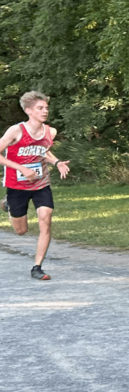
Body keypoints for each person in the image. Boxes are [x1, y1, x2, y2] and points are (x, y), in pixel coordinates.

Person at [0, 91, 70, 280]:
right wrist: (21, 168)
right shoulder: (16, 131)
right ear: (29, 111)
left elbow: (43, 152)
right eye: (40, 108)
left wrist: (57, 163)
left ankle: (37, 267)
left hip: (41, 184)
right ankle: (7, 204)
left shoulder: (51, 132)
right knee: (21, 231)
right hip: (17, 186)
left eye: (46, 108)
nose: (45, 111)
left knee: (46, 219)